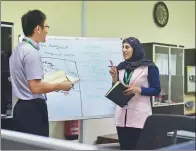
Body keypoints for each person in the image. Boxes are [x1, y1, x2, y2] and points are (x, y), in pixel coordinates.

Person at [9, 10, 74, 137]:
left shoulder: (17, 50)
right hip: (32, 110)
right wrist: (60, 86)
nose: (47, 31)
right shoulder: (31, 53)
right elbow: (35, 87)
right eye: (46, 26)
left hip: (21, 108)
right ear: (38, 29)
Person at [109, 37, 161, 150]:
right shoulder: (121, 67)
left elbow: (157, 90)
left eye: (127, 47)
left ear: (135, 49)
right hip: (121, 117)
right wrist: (114, 78)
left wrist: (139, 90)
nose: (124, 50)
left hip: (140, 117)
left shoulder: (149, 67)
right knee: (125, 148)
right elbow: (115, 90)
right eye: (122, 47)